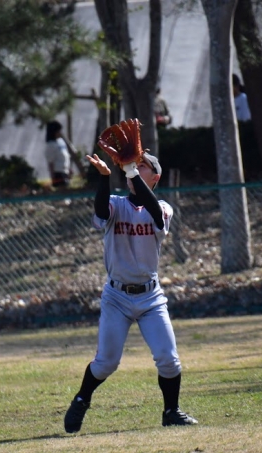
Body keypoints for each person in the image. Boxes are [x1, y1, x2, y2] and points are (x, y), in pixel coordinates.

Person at [63, 149, 198, 433]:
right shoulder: (115, 203)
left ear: (155, 177)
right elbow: (101, 212)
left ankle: (171, 411)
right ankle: (82, 399)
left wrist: (131, 171)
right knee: (106, 363)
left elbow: (155, 214)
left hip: (150, 297)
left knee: (169, 359)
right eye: (133, 164)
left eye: (142, 165)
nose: (134, 167)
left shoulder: (163, 207)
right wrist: (104, 177)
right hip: (116, 297)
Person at [45, 120, 72, 188]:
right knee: (61, 189)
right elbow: (50, 162)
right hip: (58, 172)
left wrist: (69, 169)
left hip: (65, 171)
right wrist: (53, 177)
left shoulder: (61, 141)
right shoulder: (50, 145)